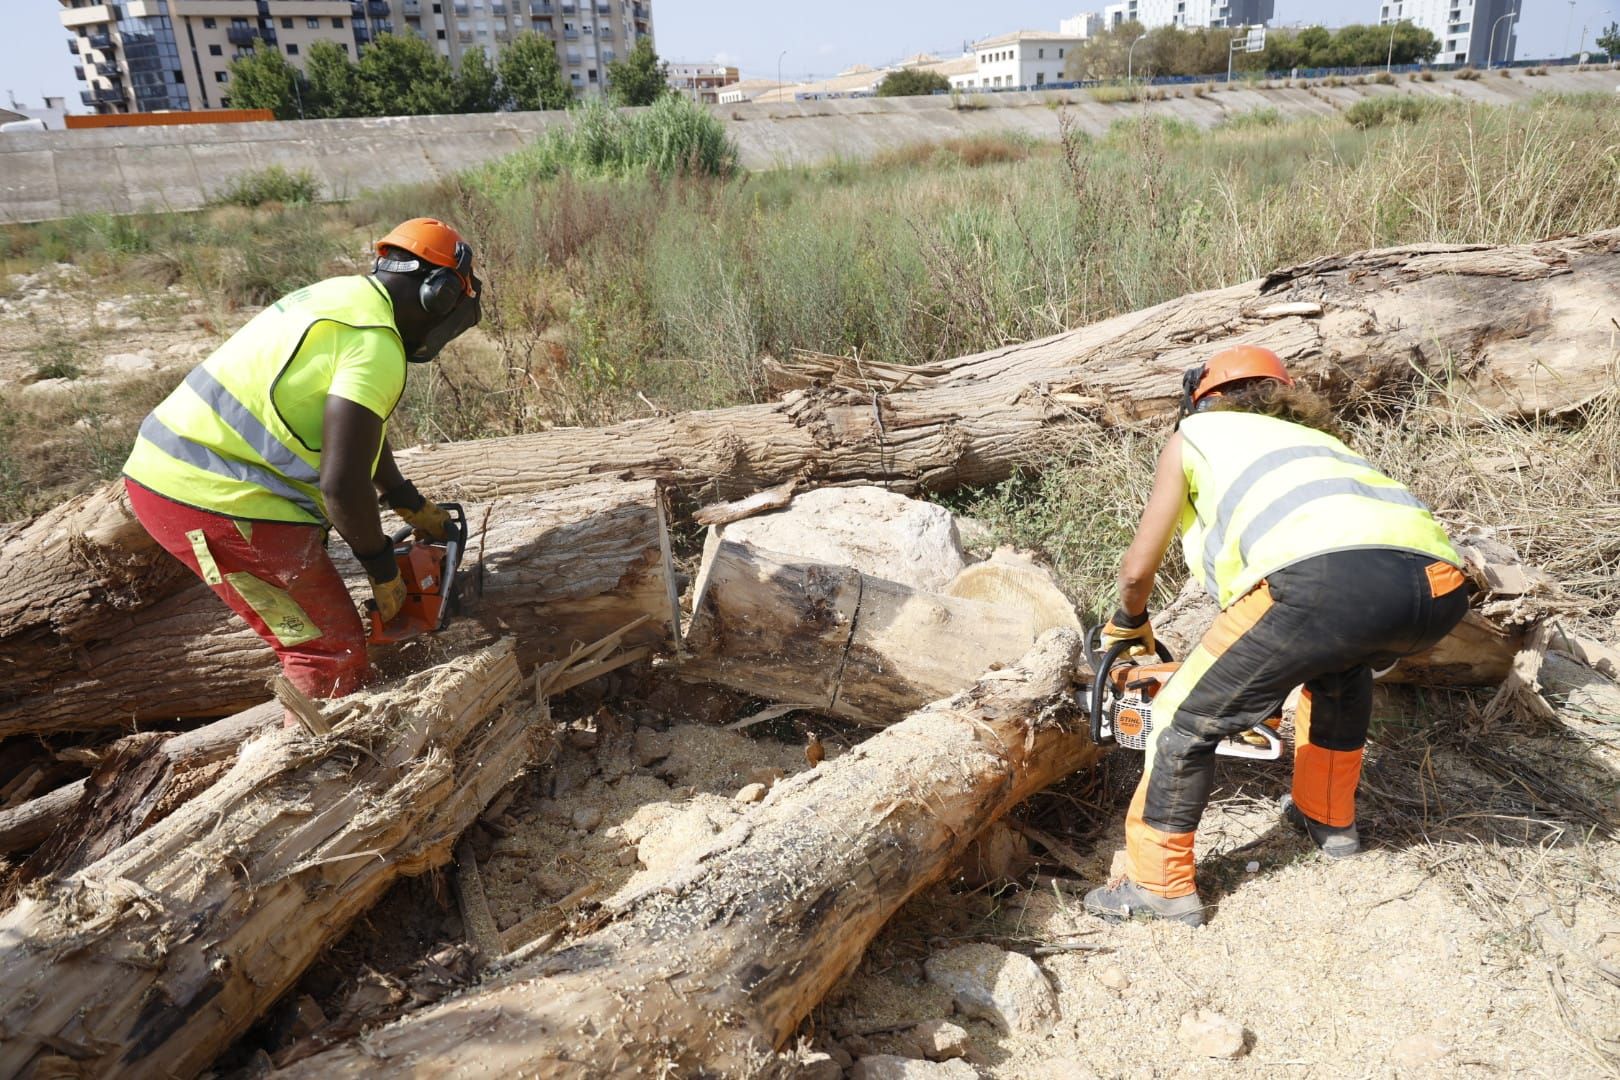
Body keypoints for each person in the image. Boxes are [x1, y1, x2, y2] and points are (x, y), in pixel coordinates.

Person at [1083, 346, 1470, 928]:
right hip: (1439, 589)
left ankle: (1157, 885)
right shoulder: (1327, 446)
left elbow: (1139, 569)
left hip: (1319, 583)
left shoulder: (1198, 434)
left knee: (1183, 720)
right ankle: (1330, 822)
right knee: (1339, 676)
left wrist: (1130, 620)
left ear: (1203, 396)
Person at [122, 217, 482, 702]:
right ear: (438, 294)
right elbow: (340, 483)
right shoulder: (375, 345)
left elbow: (352, 433)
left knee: (325, 636)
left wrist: (406, 501)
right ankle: (310, 773)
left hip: (179, 470)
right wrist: (381, 570)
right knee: (328, 651)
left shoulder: (342, 296)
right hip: (216, 500)